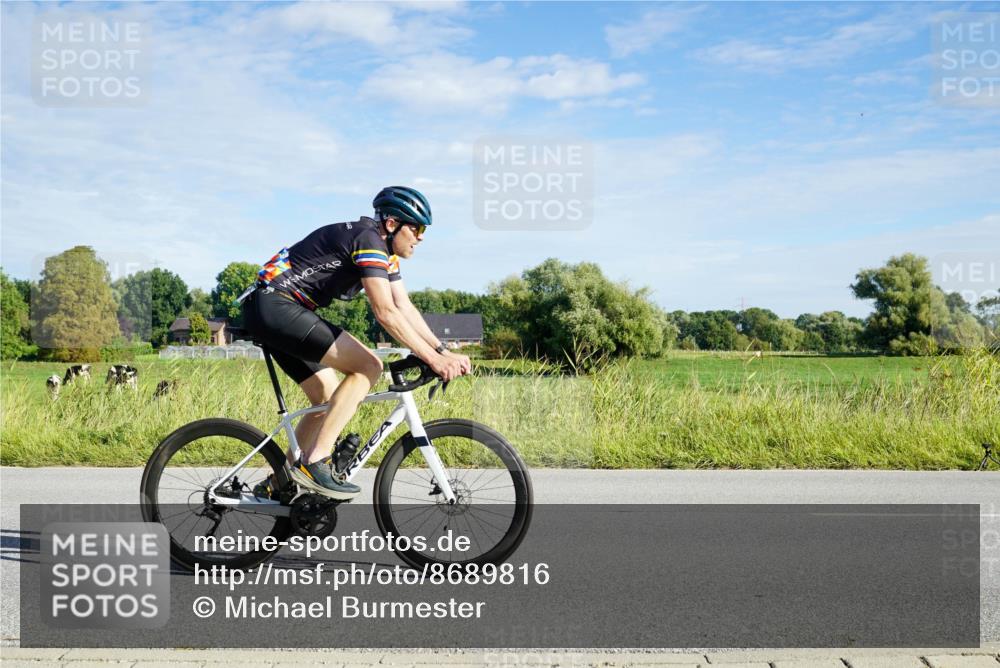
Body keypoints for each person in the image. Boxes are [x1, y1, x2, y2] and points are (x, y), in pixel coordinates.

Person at [240, 186, 470, 500]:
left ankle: (282, 481)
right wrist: (432, 359)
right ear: (392, 224)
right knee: (368, 366)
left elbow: (404, 306)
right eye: (416, 228)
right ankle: (315, 462)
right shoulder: (368, 241)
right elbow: (385, 312)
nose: (421, 237)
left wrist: (440, 351)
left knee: (327, 397)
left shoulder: (383, 252)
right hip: (276, 306)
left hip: (271, 309)